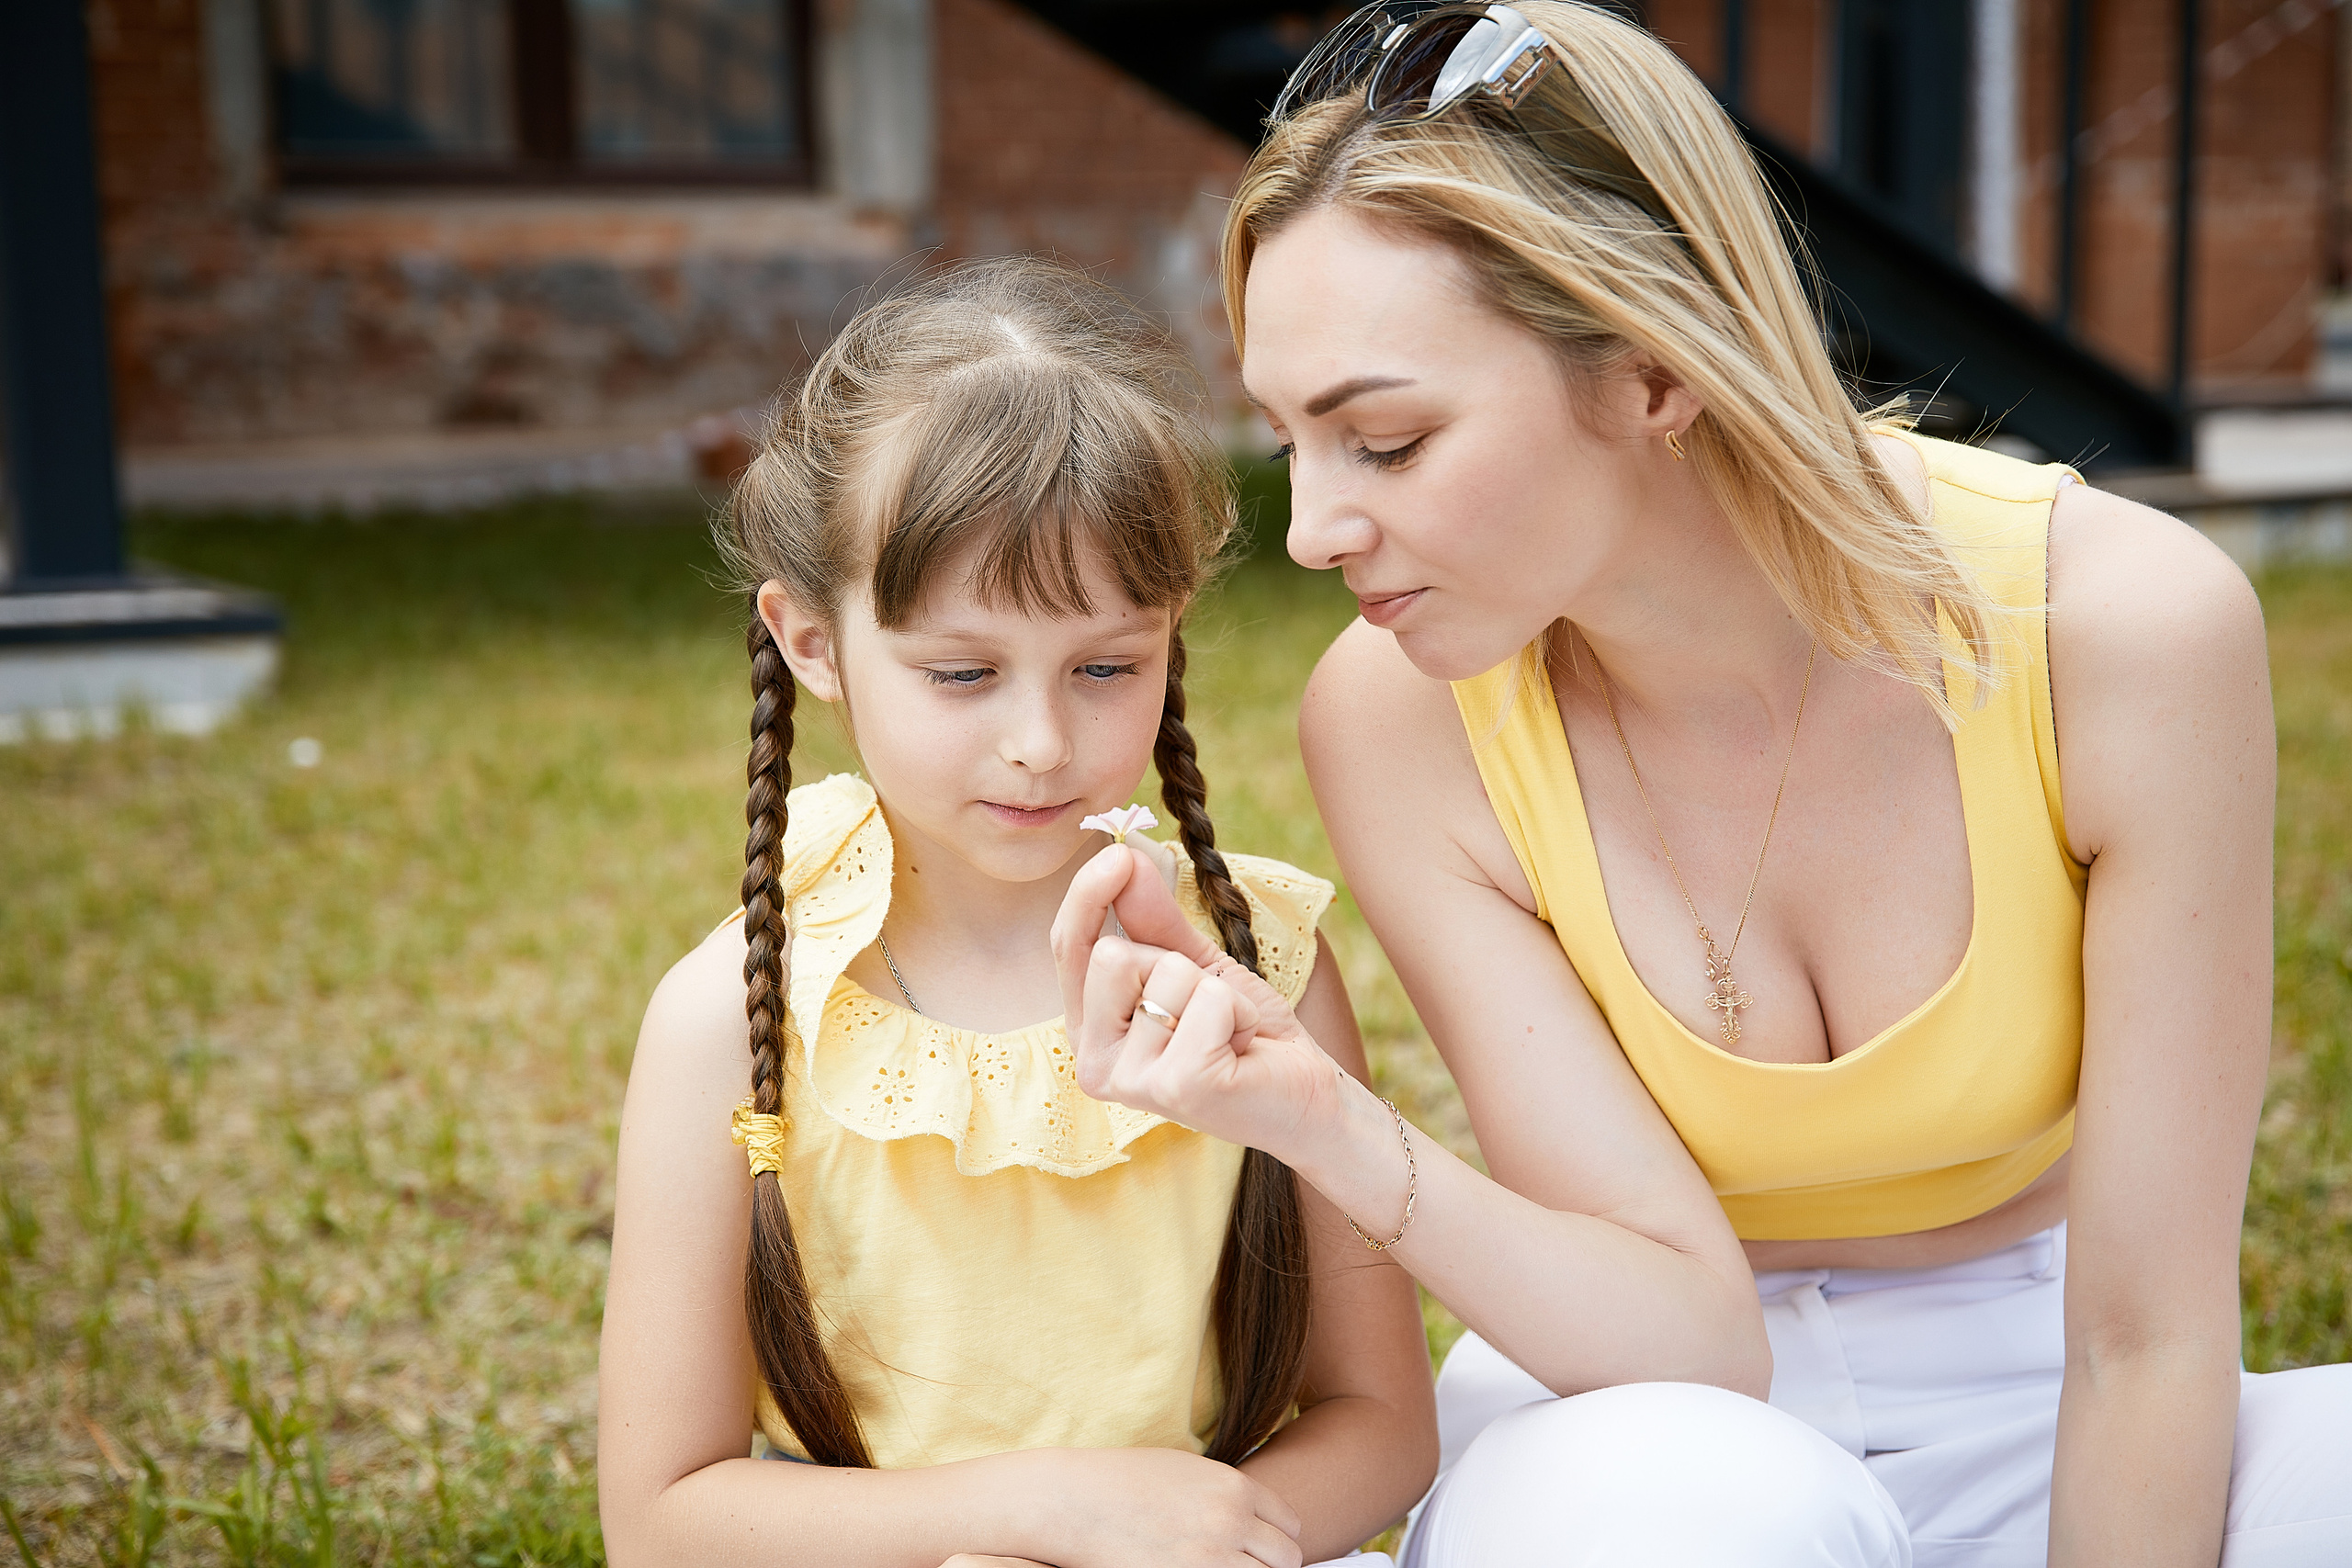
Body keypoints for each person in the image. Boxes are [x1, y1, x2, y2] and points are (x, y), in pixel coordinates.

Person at [1053, 6, 2352, 1564]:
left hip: (2052, 1366)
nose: (1317, 528)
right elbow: (1674, 1326)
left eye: (1384, 443)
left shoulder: (2123, 632)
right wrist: (1313, 1112)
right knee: (1703, 1515)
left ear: (1655, 375)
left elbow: (2146, 1341)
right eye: (1290, 439)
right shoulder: (1402, 718)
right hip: (1648, 1415)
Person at [596, 258, 1436, 1568]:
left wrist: (1196, 1540)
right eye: (962, 672)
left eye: (1108, 664)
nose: (1042, 742)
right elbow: (661, 1517)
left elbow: (1379, 1420)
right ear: (812, 642)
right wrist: (1043, 1518)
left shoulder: (1258, 970)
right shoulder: (732, 1018)